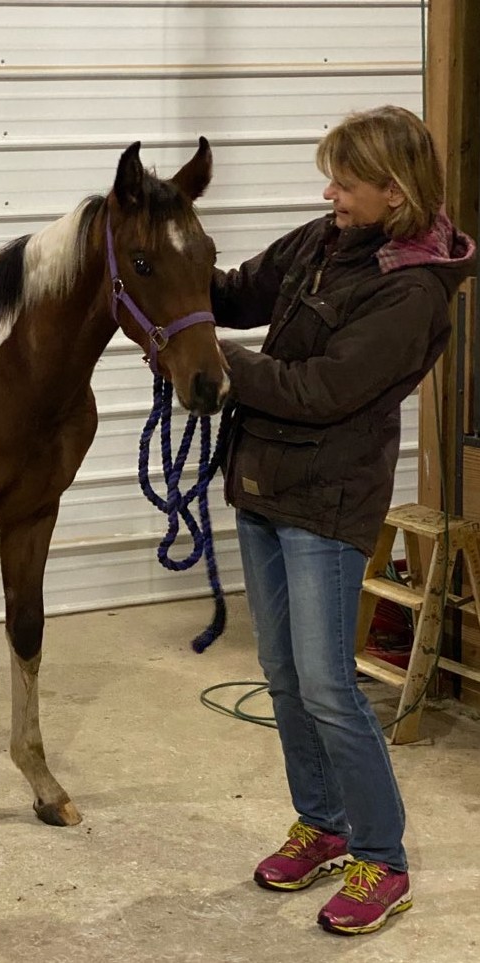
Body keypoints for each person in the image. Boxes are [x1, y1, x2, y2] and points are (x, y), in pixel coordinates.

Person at [211, 105, 475, 935]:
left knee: (328, 683)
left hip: (326, 500)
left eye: (345, 183)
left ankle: (382, 861)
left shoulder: (410, 291)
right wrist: (159, 262)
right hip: (261, 480)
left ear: (394, 192)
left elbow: (320, 390)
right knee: (282, 673)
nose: (329, 194)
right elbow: (234, 293)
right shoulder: (322, 241)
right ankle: (321, 823)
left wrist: (211, 359)